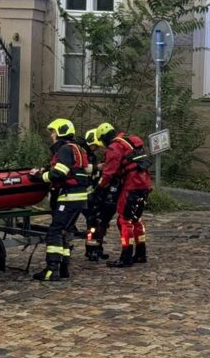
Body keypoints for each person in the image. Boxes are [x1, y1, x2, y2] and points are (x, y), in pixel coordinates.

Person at [29, 118, 91, 281]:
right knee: (65, 231)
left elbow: (59, 174)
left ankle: (52, 269)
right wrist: (47, 170)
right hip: (78, 197)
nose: (51, 135)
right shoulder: (77, 148)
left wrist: (39, 176)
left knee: (55, 231)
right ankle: (63, 268)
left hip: (69, 197)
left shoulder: (64, 150)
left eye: (53, 132)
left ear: (61, 132)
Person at [93, 123, 152, 267]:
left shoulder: (115, 147)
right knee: (136, 219)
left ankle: (126, 256)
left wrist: (99, 187)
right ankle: (140, 253)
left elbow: (109, 172)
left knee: (124, 220)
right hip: (144, 183)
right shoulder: (129, 140)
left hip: (131, 185)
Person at [82, 125, 119, 261]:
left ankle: (97, 248)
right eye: (95, 146)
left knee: (99, 223)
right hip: (87, 195)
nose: (97, 149)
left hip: (93, 194)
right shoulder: (84, 156)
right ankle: (91, 250)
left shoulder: (91, 156)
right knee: (92, 223)